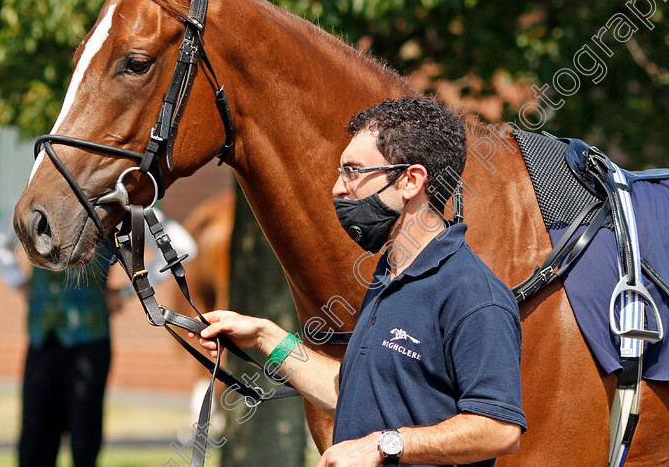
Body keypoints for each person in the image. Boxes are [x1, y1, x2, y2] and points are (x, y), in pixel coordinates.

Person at [191, 97, 526, 467]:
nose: (337, 188)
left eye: (352, 171)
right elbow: (357, 390)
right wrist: (264, 336)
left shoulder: (473, 293)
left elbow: (499, 428)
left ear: (410, 181)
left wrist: (382, 445)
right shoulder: (387, 274)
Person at [0, 206, 197, 467]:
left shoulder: (113, 205)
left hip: (91, 340)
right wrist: (17, 280)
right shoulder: (35, 203)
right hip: (42, 339)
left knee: (85, 437)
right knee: (34, 436)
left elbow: (181, 245)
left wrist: (127, 293)